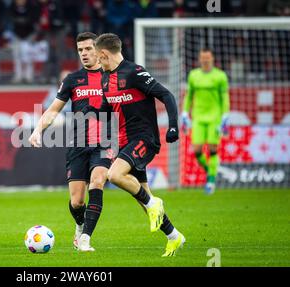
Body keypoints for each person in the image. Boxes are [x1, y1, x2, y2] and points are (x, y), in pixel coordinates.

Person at [93, 33, 185, 257]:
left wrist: (173, 126)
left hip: (145, 139)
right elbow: (107, 110)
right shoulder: (105, 79)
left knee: (114, 176)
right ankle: (174, 236)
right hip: (125, 142)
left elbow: (166, 95)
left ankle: (155, 202)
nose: (97, 60)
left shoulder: (134, 72)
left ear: (104, 54)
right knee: (143, 199)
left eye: (97, 56)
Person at [29, 32, 111, 252]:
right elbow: (54, 109)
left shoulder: (112, 76)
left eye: (88, 49)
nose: (84, 54)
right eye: (80, 50)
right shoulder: (72, 79)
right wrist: (38, 130)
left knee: (97, 181)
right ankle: (79, 225)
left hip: (104, 143)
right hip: (77, 144)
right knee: (77, 202)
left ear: (98, 49)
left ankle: (85, 239)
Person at [181, 48, 230, 194]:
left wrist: (225, 115)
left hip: (214, 117)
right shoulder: (194, 75)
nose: (205, 60)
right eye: (203, 58)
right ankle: (210, 171)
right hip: (198, 118)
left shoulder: (220, 76)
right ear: (200, 59)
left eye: (208, 57)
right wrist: (185, 112)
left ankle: (211, 181)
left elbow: (225, 97)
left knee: (213, 149)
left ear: (212, 58)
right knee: (196, 150)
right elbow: (189, 96)